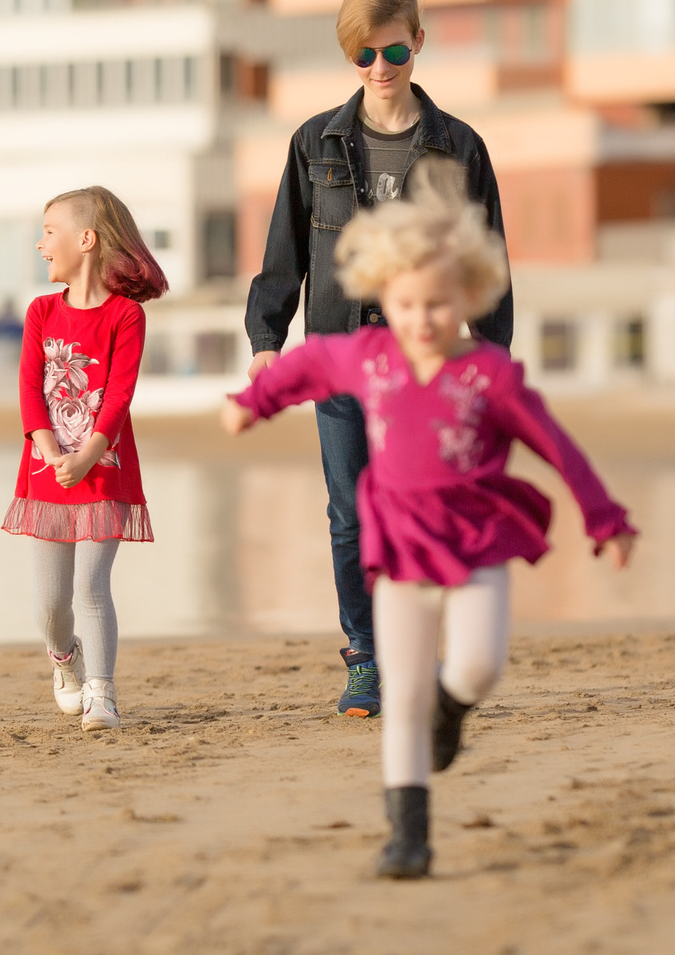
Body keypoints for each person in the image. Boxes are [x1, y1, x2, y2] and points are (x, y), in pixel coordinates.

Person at [222, 161, 635, 880]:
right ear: (385, 294)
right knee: (402, 691)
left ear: (468, 296)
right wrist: (251, 403)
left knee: (478, 663)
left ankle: (454, 704)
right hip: (400, 546)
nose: (423, 319)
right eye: (408, 303)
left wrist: (605, 519)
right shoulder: (371, 357)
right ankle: (407, 833)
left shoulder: (489, 374)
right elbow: (307, 363)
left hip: (477, 539)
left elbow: (557, 447)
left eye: (440, 305)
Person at [243, 0, 514, 718]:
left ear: (419, 44)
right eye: (364, 56)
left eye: (394, 53)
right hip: (339, 360)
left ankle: (420, 649)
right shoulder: (314, 145)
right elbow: (284, 252)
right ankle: (365, 657)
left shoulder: (460, 147)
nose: (380, 70)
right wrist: (267, 337)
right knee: (349, 514)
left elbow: (486, 263)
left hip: (430, 366)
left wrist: (495, 360)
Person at [3, 187, 167, 731]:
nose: (40, 243)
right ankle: (65, 658)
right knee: (50, 605)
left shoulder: (126, 317)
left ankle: (102, 693)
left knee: (91, 587)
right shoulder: (41, 311)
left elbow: (118, 396)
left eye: (49, 232)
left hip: (105, 470)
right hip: (46, 472)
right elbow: (30, 389)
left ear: (86, 240)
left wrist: (90, 453)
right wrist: (51, 452)